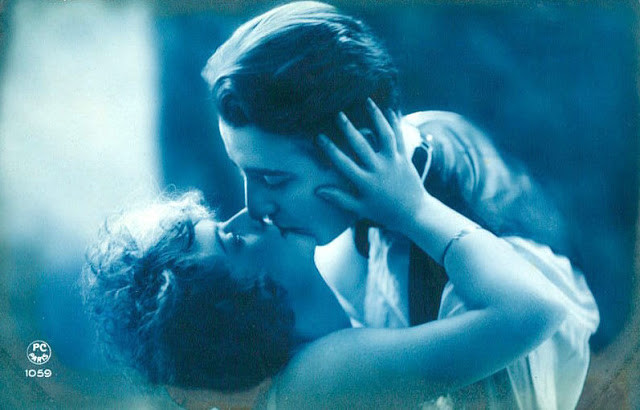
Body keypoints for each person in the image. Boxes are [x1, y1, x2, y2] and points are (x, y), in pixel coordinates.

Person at [201, 1, 600, 408]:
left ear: (360, 148)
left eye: (274, 179)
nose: (254, 208)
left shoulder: (475, 291)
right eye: (243, 172)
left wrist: (416, 213)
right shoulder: (380, 181)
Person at [82, 191, 566, 409]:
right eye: (232, 241)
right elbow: (537, 310)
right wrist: (412, 207)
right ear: (236, 309)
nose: (248, 215)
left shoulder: (298, 366)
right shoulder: (316, 382)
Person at [81, 191, 350, 394]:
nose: (250, 214)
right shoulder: (330, 371)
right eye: (235, 241)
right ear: (244, 314)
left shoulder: (345, 279)